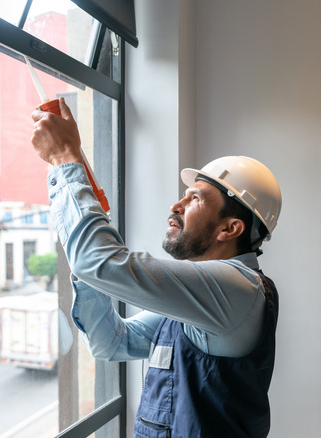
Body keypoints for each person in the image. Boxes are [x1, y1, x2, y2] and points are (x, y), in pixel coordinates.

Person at [30, 98, 282, 437]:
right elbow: (112, 342)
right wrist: (88, 267)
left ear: (230, 229)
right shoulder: (200, 301)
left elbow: (100, 262)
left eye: (194, 198)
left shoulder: (236, 289)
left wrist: (65, 158)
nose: (175, 205)